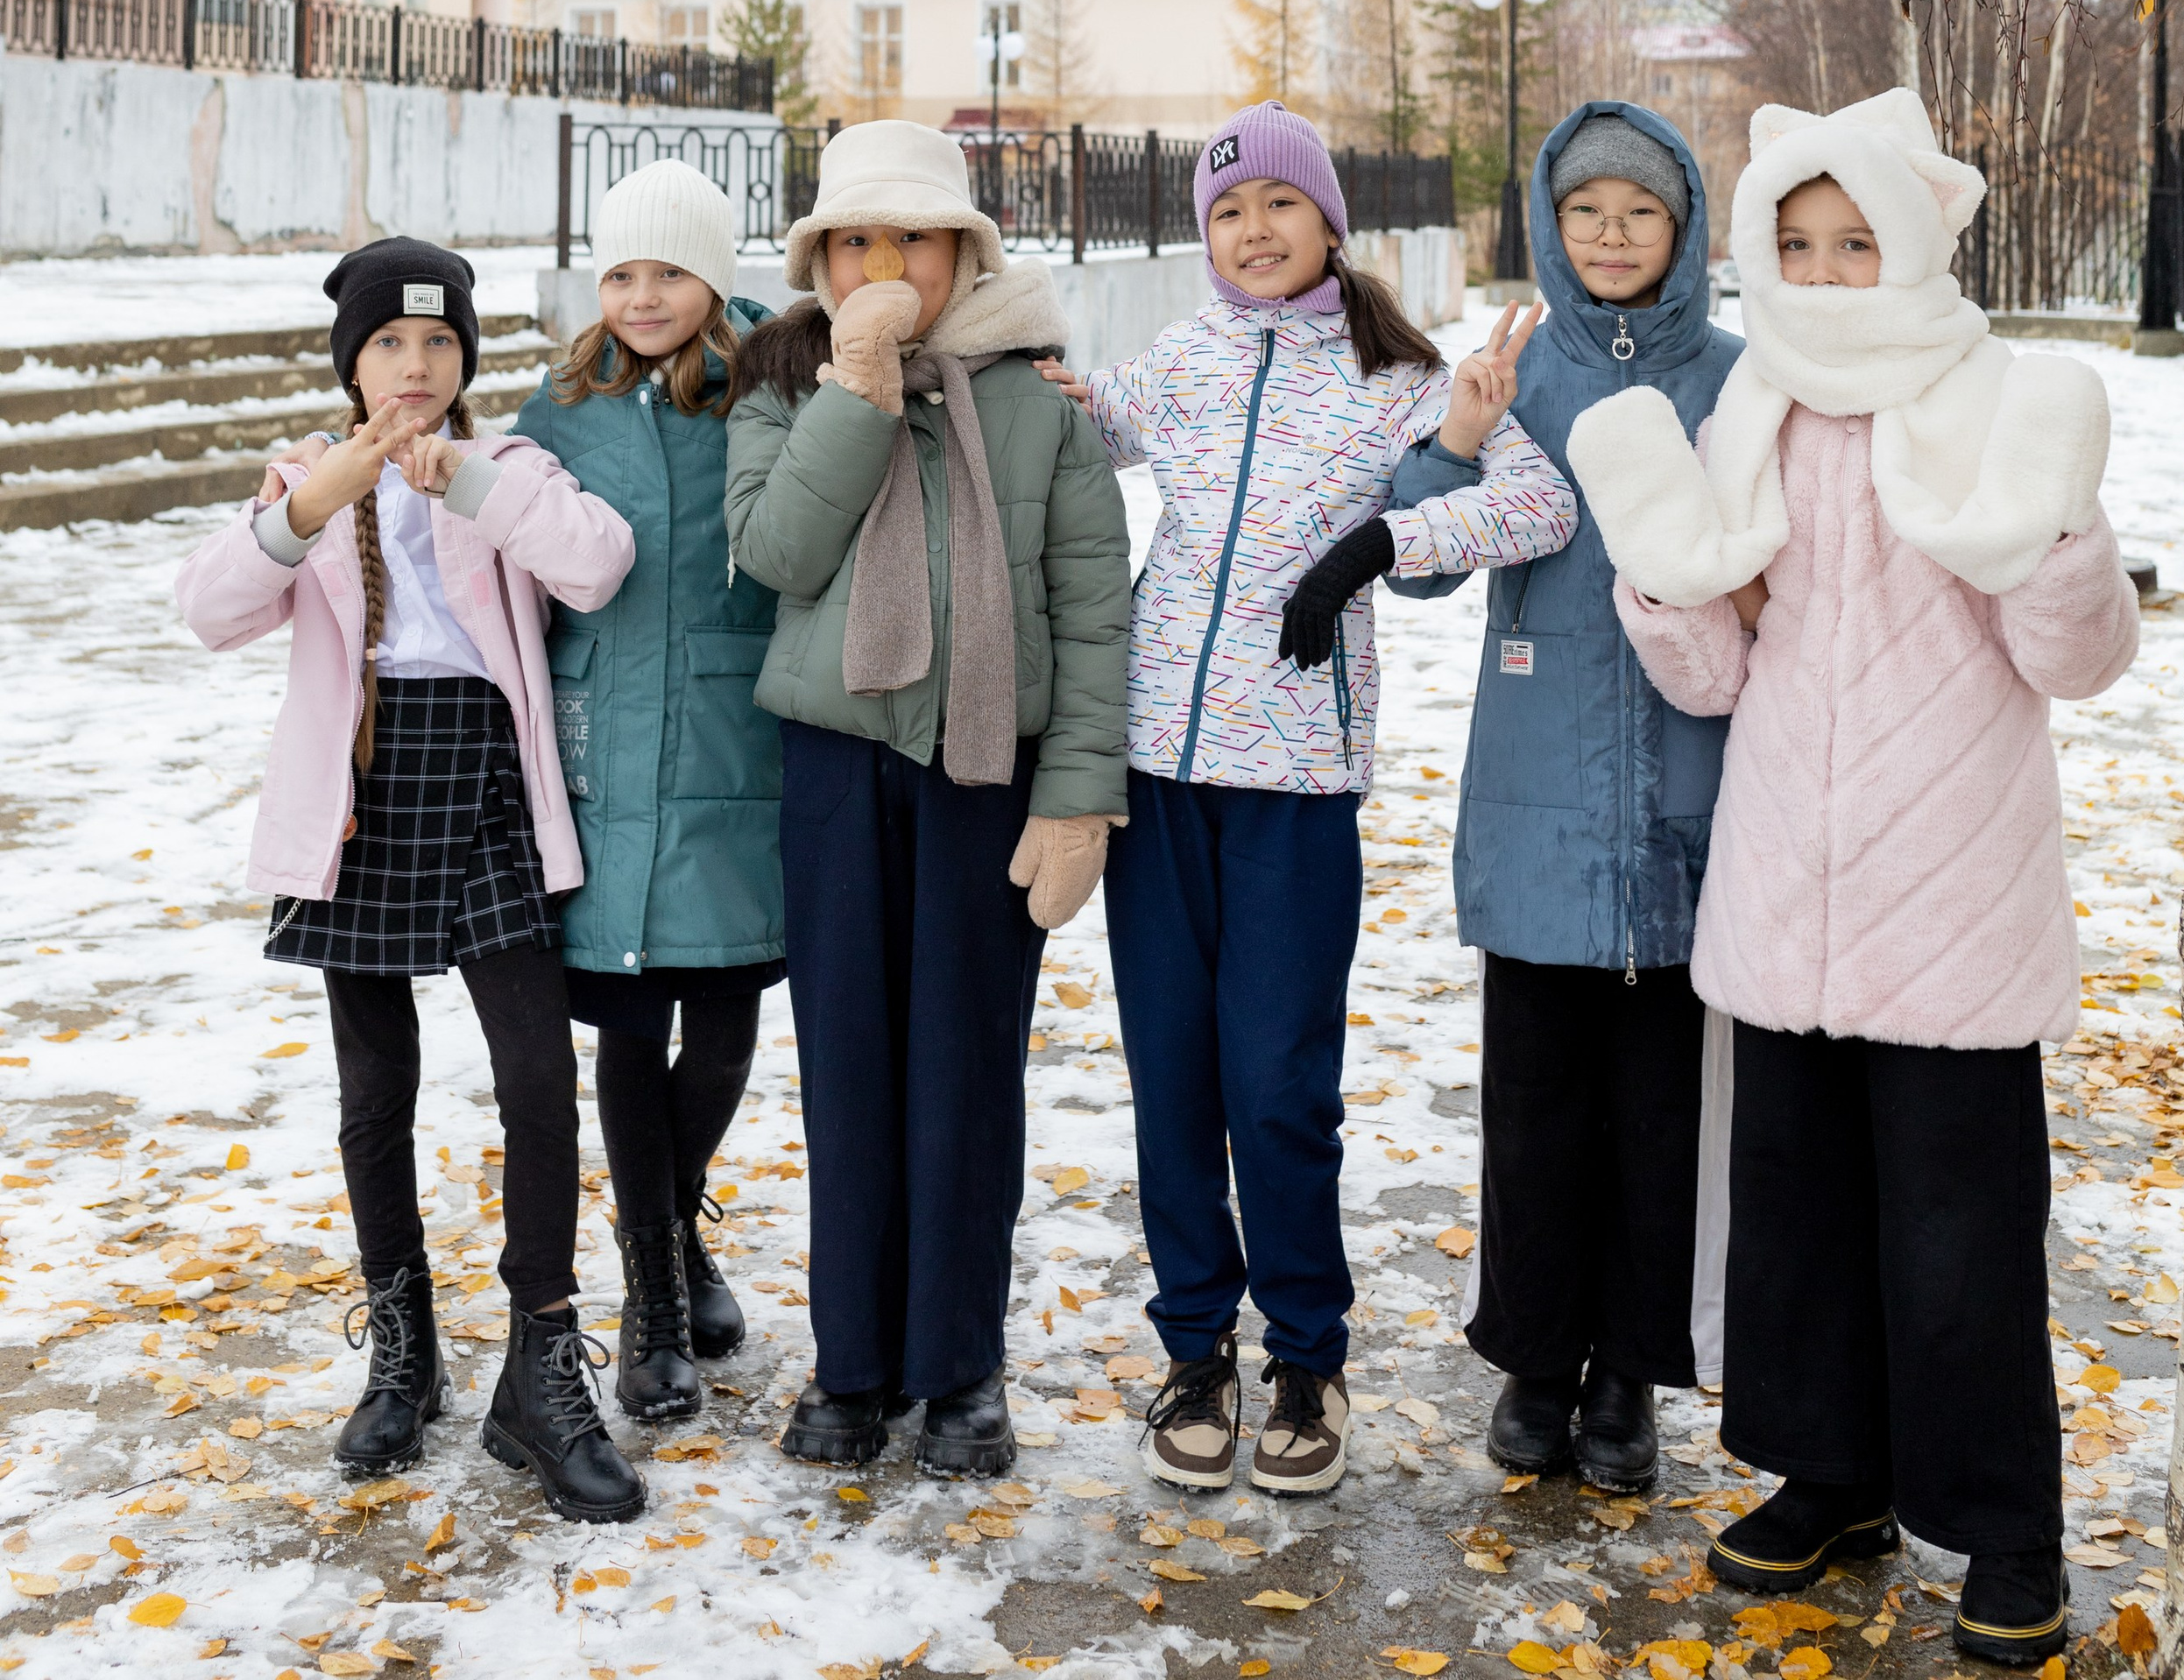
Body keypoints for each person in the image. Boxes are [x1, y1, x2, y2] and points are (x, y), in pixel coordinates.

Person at [1569, 88, 2138, 1671]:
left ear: (1918, 243)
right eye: (1795, 242)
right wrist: (1666, 575)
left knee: (1960, 1229)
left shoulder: (1995, 396)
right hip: (1789, 882)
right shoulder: (1756, 404)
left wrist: (2059, 546)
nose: (1821, 273)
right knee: (1800, 1216)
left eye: (1855, 240)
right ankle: (1836, 1476)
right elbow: (1707, 673)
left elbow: (2075, 663)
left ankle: (2007, 1524)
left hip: (1950, 886)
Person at [1045, 101, 1572, 1500]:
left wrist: (1382, 536)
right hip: (1156, 776)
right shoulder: (1184, 359)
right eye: (1227, 212)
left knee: (1278, 1087)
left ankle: (1306, 1354)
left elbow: (1538, 510)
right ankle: (1196, 1350)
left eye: (1278, 206)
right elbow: (1078, 420)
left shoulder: (1396, 374)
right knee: (1173, 1080)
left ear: (1326, 223)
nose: (1253, 231)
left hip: (1293, 787)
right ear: (1204, 238)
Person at [175, 237, 646, 1524]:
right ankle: (404, 1346)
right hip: (363, 800)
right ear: (353, 360)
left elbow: (596, 563)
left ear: (465, 360)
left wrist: (478, 486)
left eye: (438, 344)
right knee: (375, 1089)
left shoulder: (514, 470)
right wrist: (314, 500)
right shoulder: (306, 478)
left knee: (538, 1081)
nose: (415, 368)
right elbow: (208, 611)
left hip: (489, 791)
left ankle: (541, 1365)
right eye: (389, 344)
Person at [724, 119, 1132, 1480]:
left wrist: (1077, 797)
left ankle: (959, 1365)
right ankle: (853, 1365)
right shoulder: (781, 389)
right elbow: (776, 551)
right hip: (838, 778)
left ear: (964, 253)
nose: (884, 262)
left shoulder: (1036, 407)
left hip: (981, 780)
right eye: (854, 241)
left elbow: (1089, 614)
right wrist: (855, 391)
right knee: (849, 1077)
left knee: (965, 1076)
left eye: (911, 239)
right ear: (821, 263)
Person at [1389, 102, 1741, 1493]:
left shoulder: (1731, 379)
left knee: (1660, 1119)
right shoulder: (1513, 372)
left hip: (1687, 803)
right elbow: (1417, 565)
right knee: (1536, 1112)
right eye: (1585, 209)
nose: (1609, 234)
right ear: (1548, 221)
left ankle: (1629, 1386)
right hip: (1537, 812)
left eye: (1637, 213)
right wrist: (1456, 439)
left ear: (1682, 232)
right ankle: (1537, 1365)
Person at [510, 163, 778, 1426]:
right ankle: (657, 1296)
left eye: (668, 270)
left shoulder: (769, 388)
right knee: (623, 1024)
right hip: (600, 748)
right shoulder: (558, 406)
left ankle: (671, 1229)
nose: (644, 295)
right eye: (621, 272)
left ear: (713, 278)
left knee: (724, 1015)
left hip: (736, 741)